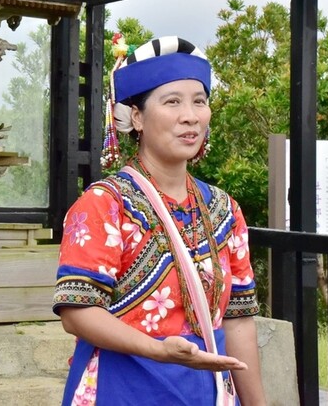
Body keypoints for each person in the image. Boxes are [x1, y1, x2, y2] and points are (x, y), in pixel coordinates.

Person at [53, 36, 266, 406]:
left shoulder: (224, 210)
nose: (190, 115)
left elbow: (238, 319)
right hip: (126, 386)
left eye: (199, 101)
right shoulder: (106, 204)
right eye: (172, 102)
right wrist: (158, 350)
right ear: (136, 116)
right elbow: (78, 312)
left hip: (211, 391)